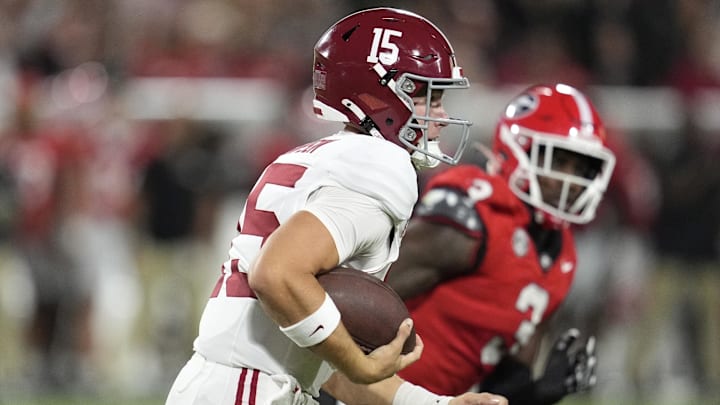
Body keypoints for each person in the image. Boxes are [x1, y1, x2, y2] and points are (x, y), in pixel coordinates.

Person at [165, 7, 507, 405]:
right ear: (379, 93)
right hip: (251, 389)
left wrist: (439, 404)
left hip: (245, 384)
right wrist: (359, 364)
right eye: (425, 95)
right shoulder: (379, 164)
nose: (440, 116)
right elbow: (276, 275)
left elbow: (324, 360)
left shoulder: (328, 156)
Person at [386, 83, 617, 404]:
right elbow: (369, 293)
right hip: (365, 389)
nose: (571, 181)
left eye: (581, 168)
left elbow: (504, 386)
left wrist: (536, 394)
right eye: (559, 162)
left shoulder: (560, 254)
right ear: (518, 150)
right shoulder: (475, 215)